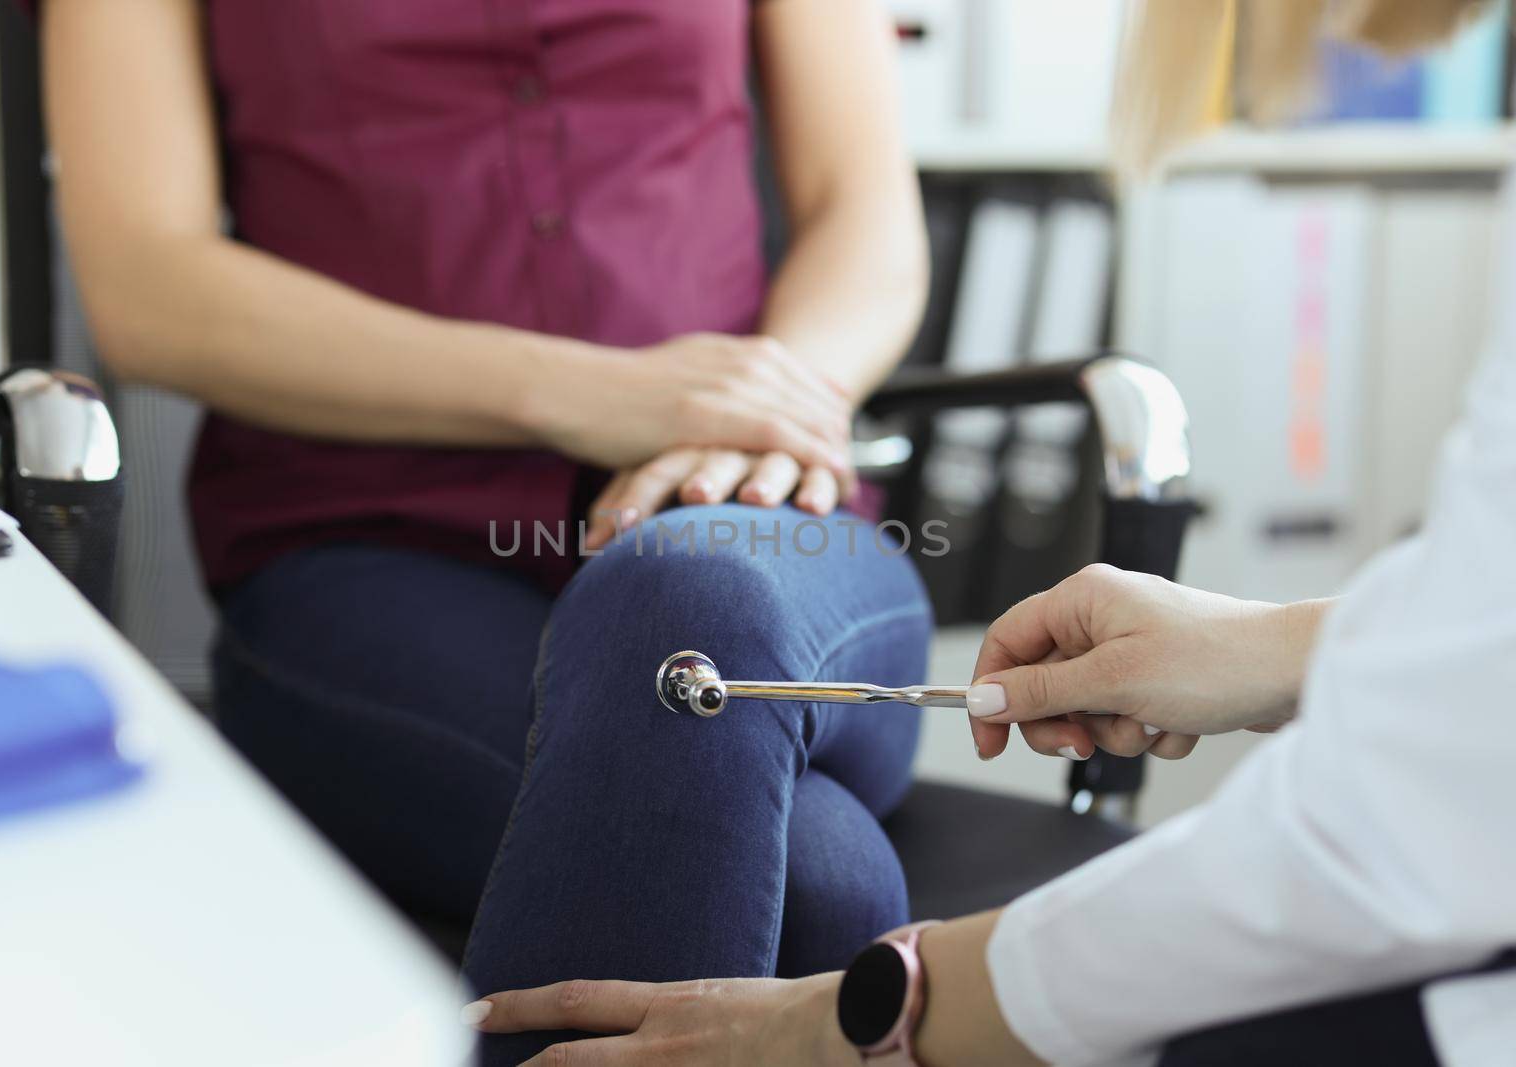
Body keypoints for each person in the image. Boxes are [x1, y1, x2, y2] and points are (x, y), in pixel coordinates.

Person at [463, 0, 1516, 1063]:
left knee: (714, 656)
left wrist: (884, 1012)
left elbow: (1391, 833)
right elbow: (1481, 667)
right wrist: (1279, 647)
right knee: (826, 876)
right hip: (371, 543)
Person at [36, 1, 940, 1060]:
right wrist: (586, 391)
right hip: (373, 554)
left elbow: (864, 212)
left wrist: (757, 408)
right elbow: (148, 289)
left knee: (690, 602)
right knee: (814, 880)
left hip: (753, 520)